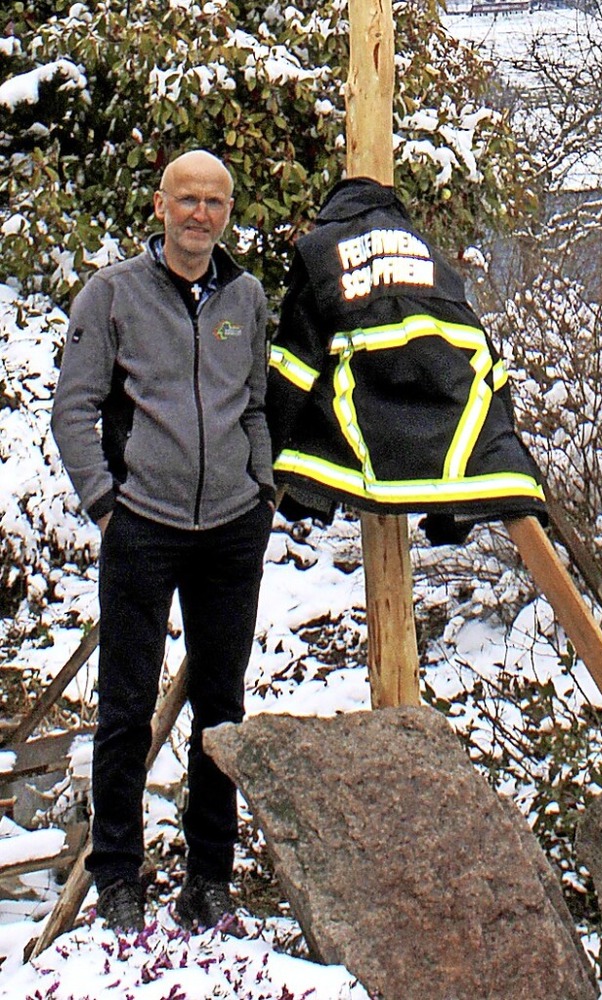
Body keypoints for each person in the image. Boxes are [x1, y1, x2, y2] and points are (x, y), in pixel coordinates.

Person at [51, 150, 275, 933]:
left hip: (230, 531)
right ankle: (119, 878)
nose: (200, 214)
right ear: (159, 205)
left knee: (222, 710)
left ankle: (208, 878)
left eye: (215, 201)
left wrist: (264, 489)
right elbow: (72, 411)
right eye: (187, 199)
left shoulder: (245, 296)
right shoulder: (110, 296)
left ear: (227, 211)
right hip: (141, 527)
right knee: (126, 709)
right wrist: (107, 506)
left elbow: (254, 406)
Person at [266, 177, 546, 538]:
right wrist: (458, 510)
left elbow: (292, 372)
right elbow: (491, 373)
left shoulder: (324, 256)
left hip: (361, 445)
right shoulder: (437, 264)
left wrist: (267, 467)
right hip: (454, 440)